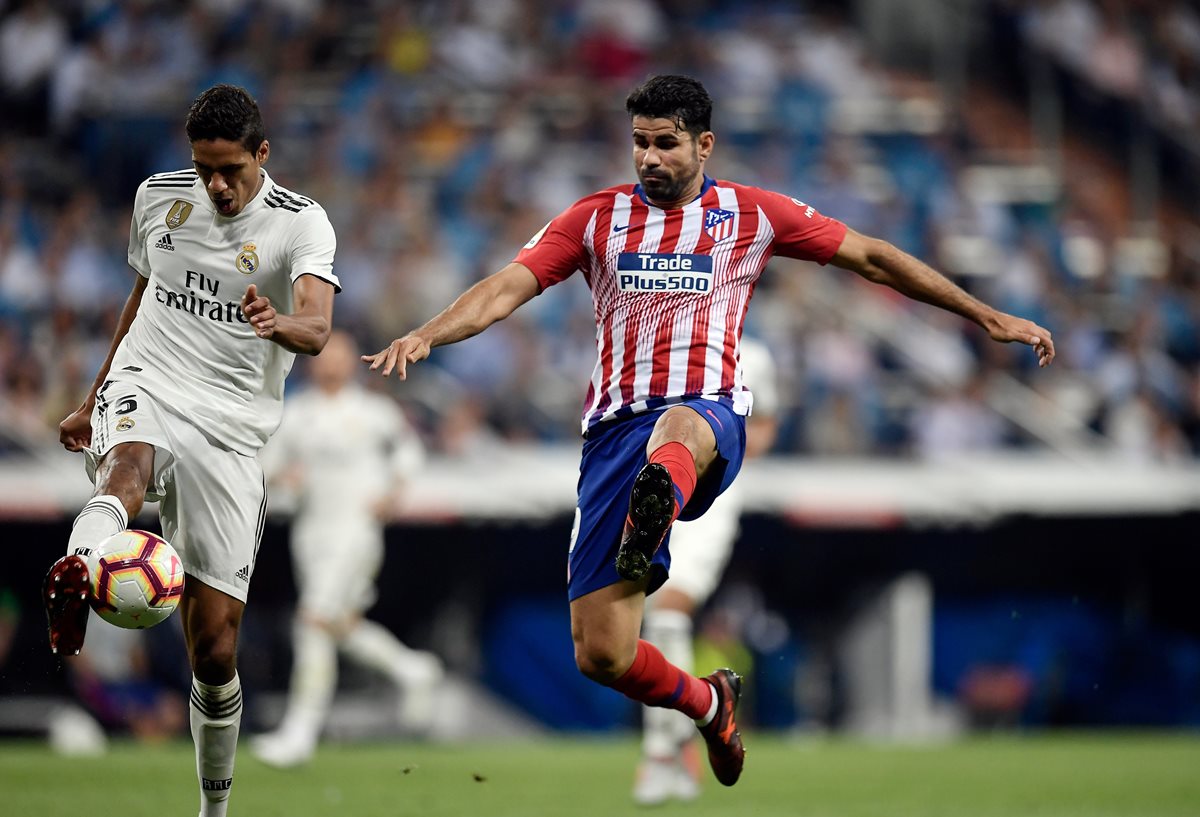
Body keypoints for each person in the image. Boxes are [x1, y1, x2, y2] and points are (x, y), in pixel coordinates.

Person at [363, 74, 1054, 788]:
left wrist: (987, 315)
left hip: (707, 417)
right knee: (601, 653)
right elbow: (508, 285)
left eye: (665, 143)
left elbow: (873, 256)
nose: (650, 158)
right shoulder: (595, 219)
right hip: (611, 439)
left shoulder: (749, 214)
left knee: (678, 426)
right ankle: (708, 700)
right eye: (639, 143)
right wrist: (428, 333)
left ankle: (656, 499)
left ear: (704, 144)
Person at [44, 84, 339, 817]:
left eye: (231, 170)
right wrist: (93, 394)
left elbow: (320, 326)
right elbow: (142, 294)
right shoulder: (157, 197)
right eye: (204, 168)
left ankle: (213, 809)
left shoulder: (301, 224)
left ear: (262, 155)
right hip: (152, 380)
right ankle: (79, 568)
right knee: (128, 467)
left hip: (233, 430)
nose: (216, 185)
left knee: (213, 651)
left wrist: (278, 323)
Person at [250, 330, 443, 768]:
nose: (329, 363)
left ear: (352, 362)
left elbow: (408, 453)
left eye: (338, 355)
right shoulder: (297, 413)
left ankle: (300, 732)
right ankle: (413, 670)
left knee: (312, 622)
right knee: (339, 623)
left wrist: (394, 492)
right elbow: (268, 466)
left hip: (356, 532)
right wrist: (284, 478)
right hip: (311, 532)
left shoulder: (375, 411)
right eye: (323, 355)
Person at [633, 335, 779, 805]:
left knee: (667, 611)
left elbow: (766, 425)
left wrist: (723, 448)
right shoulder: (648, 335)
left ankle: (662, 750)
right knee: (633, 624)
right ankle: (681, 741)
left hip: (711, 499)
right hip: (652, 484)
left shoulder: (751, 354)